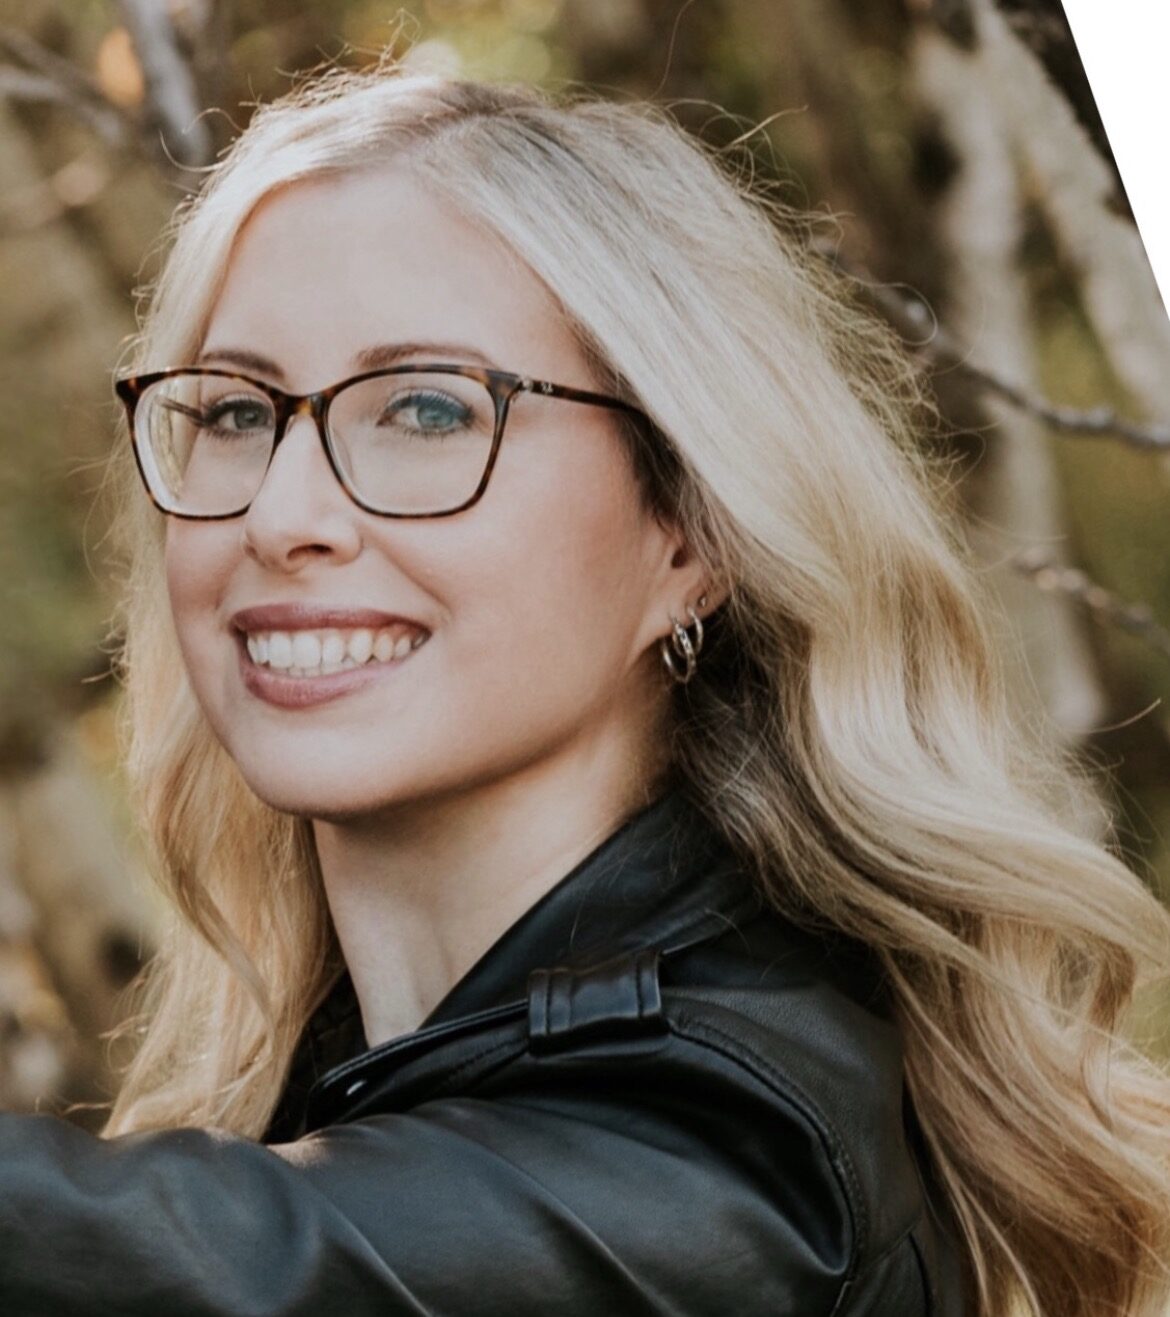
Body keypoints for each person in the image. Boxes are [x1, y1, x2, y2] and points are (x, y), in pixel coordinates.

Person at [2, 63, 1169, 1317]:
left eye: (431, 409)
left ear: (690, 537)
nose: (284, 514)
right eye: (236, 411)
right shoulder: (357, 1077)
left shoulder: (728, 1166)